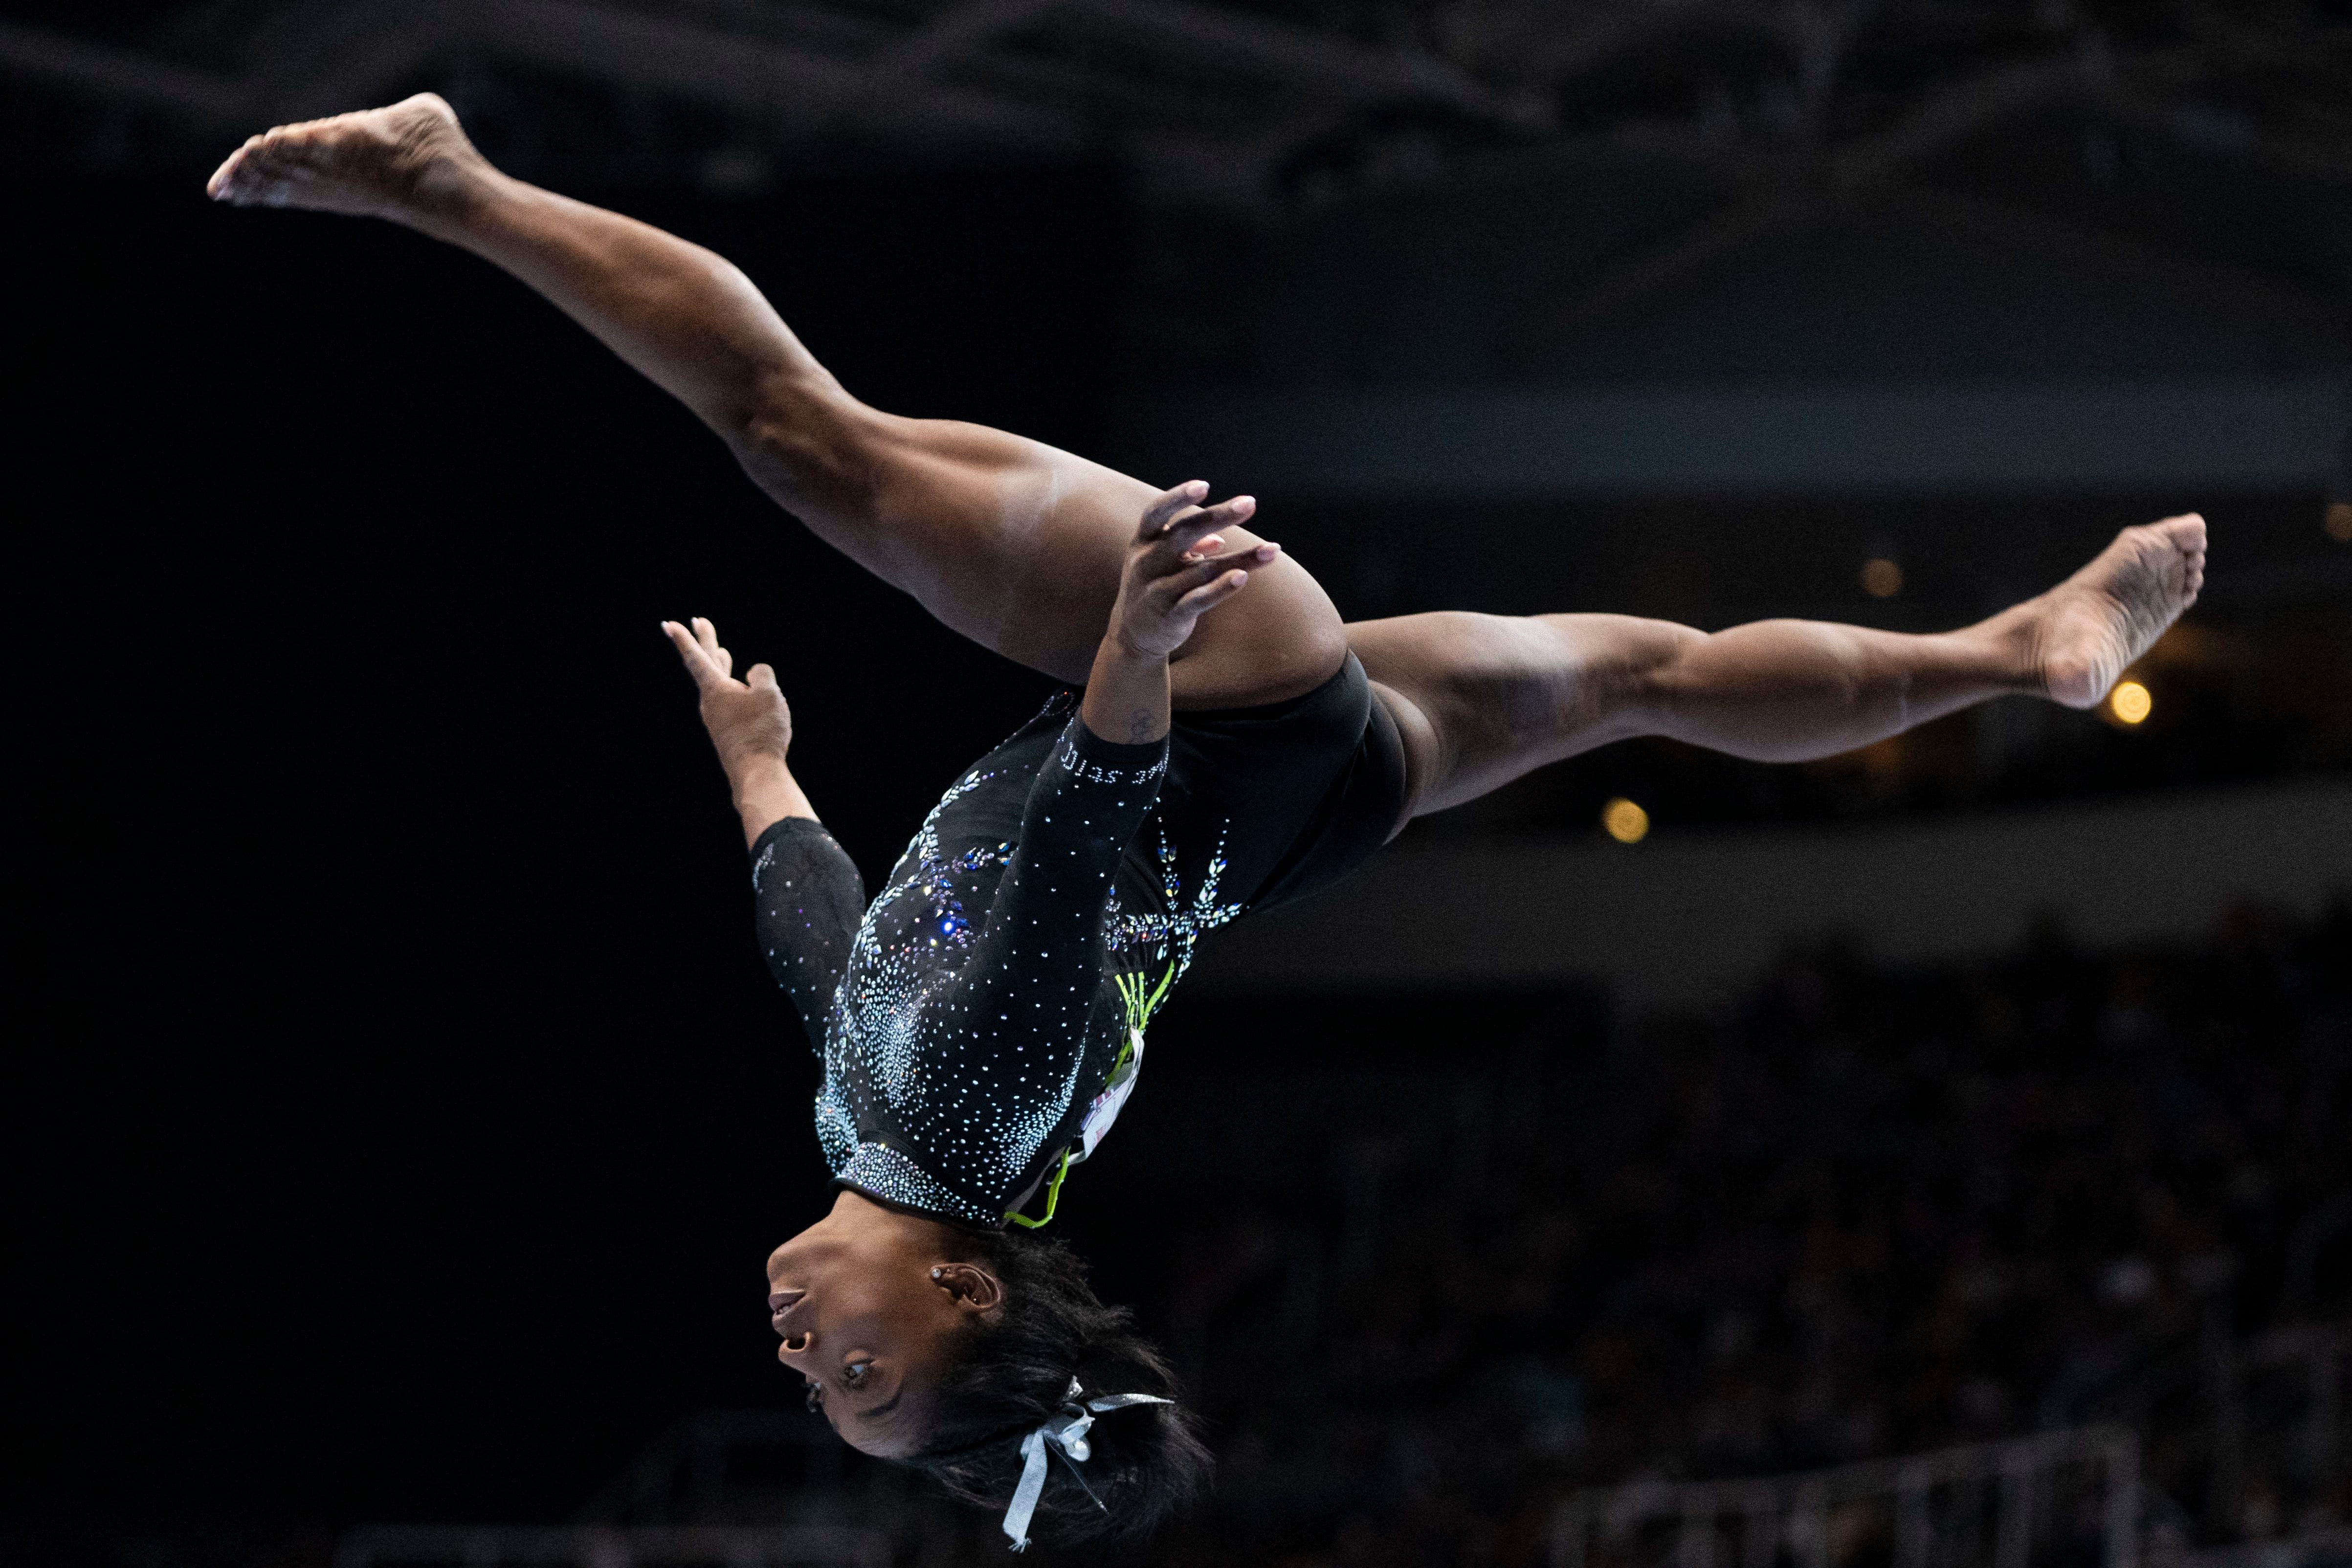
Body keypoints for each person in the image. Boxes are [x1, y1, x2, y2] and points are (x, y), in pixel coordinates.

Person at [206, 94, 2208, 1550]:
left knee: (1648, 681)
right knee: (804, 443)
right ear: (968, 1300)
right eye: (865, 1374)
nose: (810, 1354)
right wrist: (1140, 659)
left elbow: (822, 955)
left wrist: (756, 766)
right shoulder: (974, 1121)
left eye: (823, 1393)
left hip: (1297, 815)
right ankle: (448, 181)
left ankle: (2015, 645)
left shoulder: (896, 1133)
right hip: (1202, 720)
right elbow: (1073, 854)